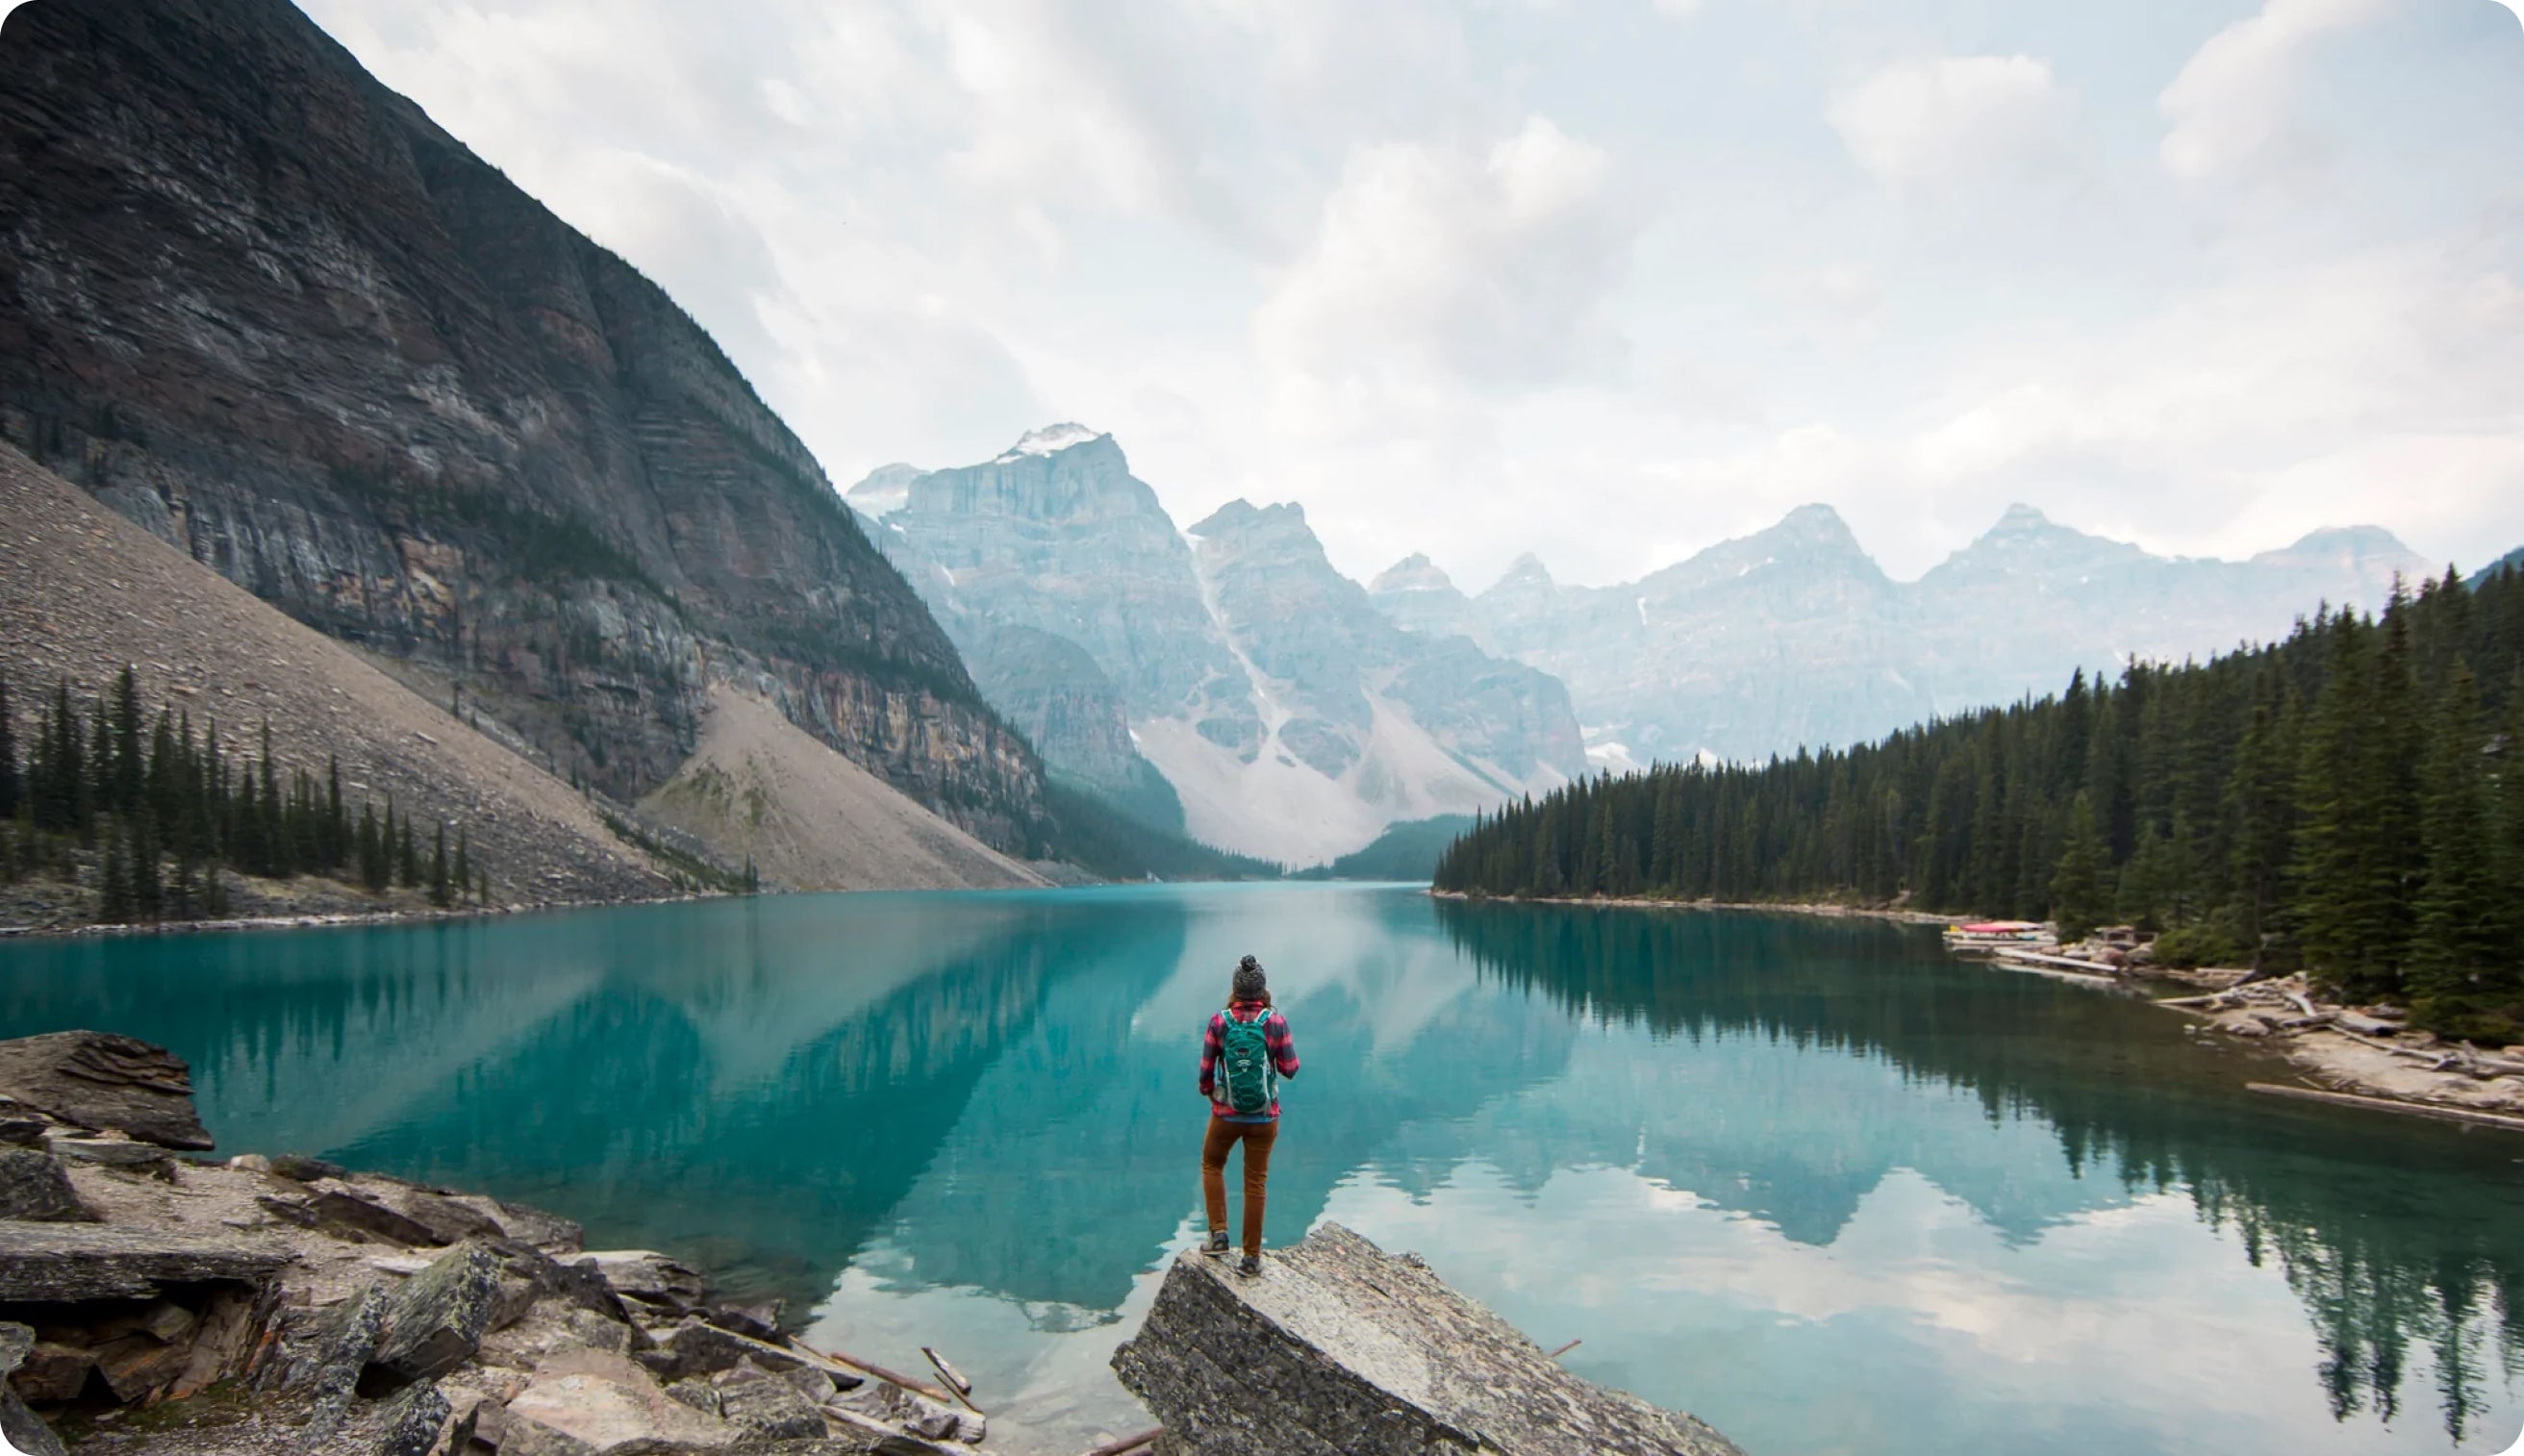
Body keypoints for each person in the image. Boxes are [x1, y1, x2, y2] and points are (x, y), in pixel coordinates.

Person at [1198, 953, 1300, 1277]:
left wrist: (1212, 1091)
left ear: (1235, 989)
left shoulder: (1218, 1022)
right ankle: (1251, 1258)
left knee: (1212, 1165)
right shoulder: (1275, 1022)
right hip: (1265, 1116)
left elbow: (1204, 1075)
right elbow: (1291, 1069)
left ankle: (1218, 1236)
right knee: (1255, 1182)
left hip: (1225, 1115)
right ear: (1262, 989)